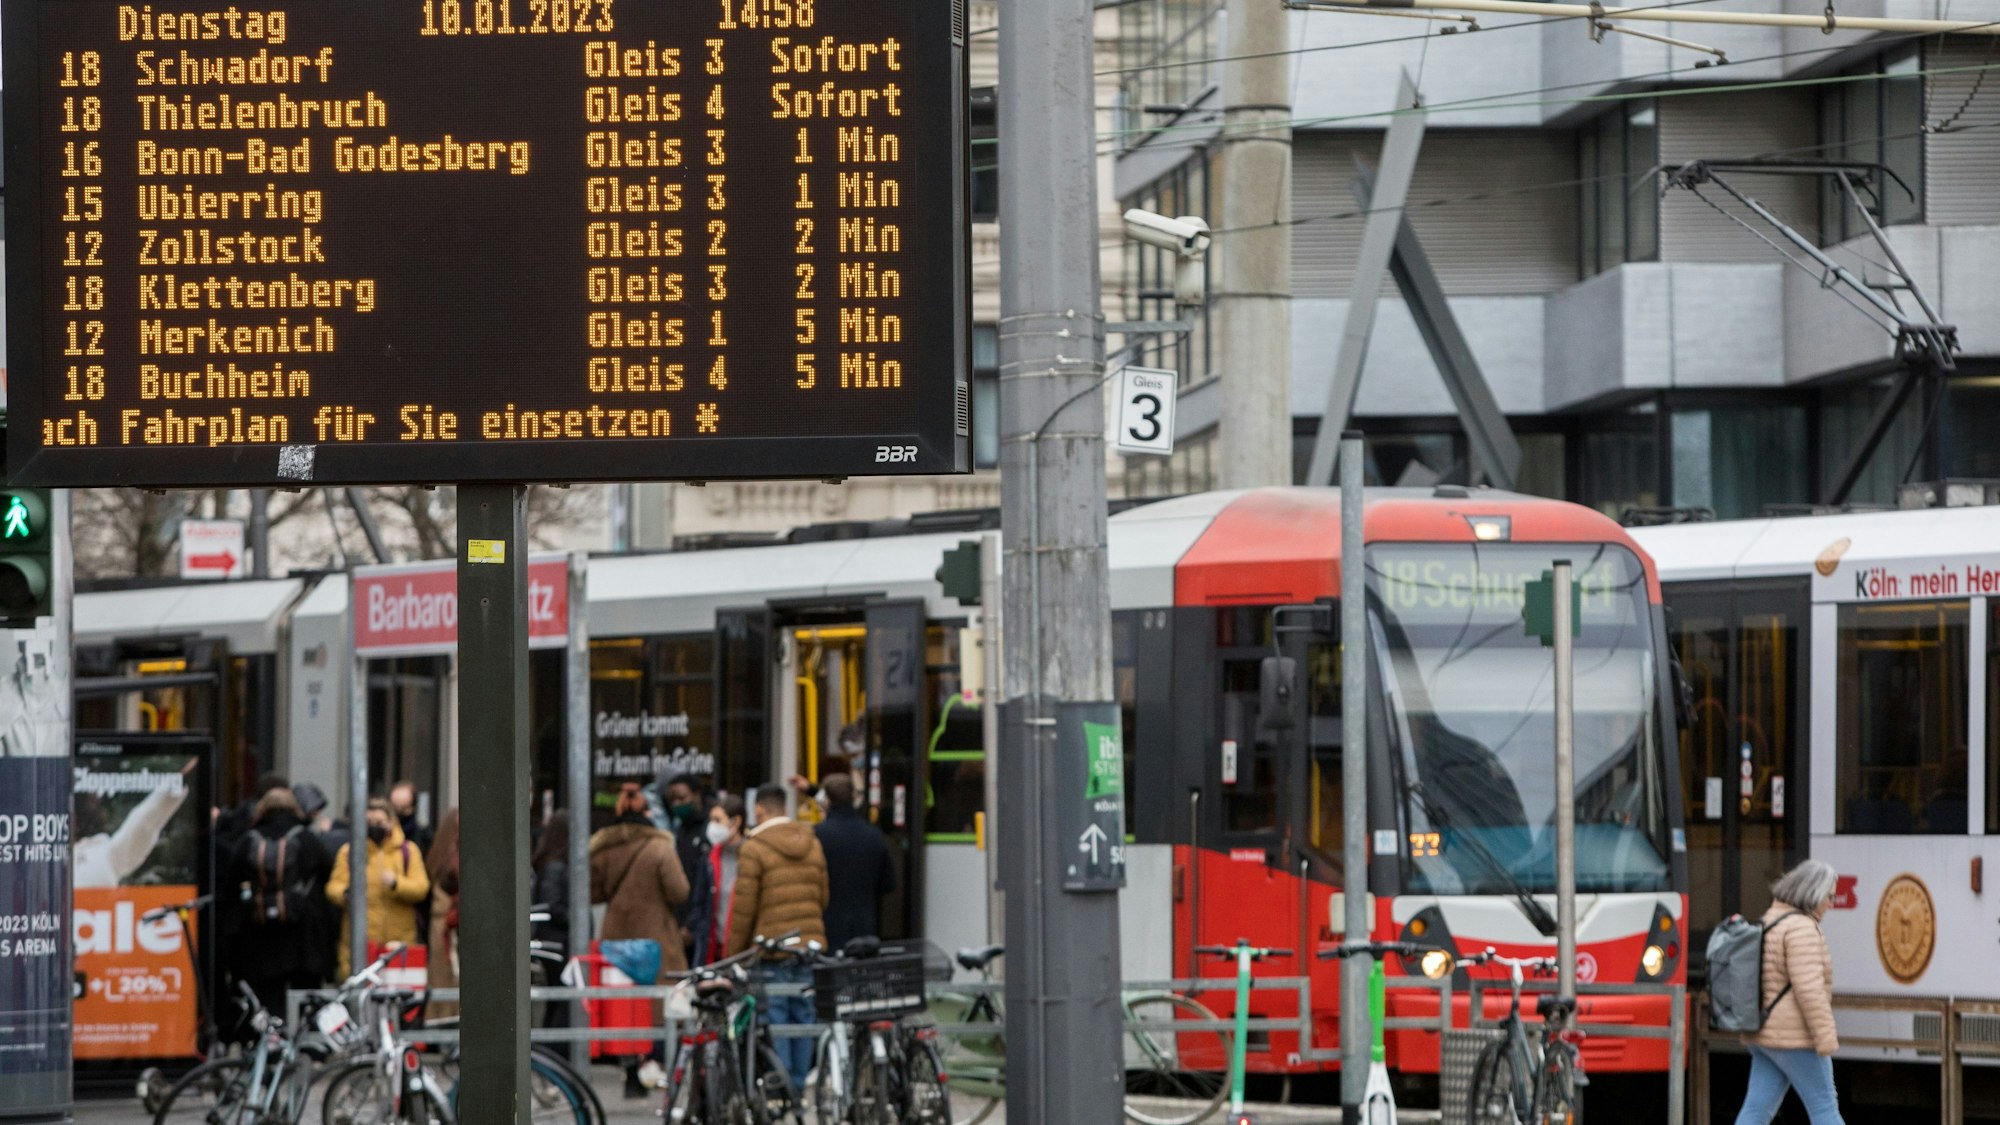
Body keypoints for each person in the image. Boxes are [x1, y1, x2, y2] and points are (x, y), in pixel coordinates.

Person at [590, 783, 690, 1097]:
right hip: (657, 938)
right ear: (647, 812)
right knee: (659, 1004)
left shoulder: (603, 848)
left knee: (626, 1006)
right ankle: (657, 1064)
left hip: (616, 937)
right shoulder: (661, 848)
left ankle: (631, 1070)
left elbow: (593, 893)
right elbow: (679, 891)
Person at [727, 784, 829, 1089]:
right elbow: (823, 897)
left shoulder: (754, 846)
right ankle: (798, 1085)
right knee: (804, 1017)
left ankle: (783, 1089)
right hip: (808, 946)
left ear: (759, 809)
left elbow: (745, 908)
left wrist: (734, 955)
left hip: (772, 949)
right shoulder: (811, 841)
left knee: (779, 1018)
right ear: (785, 808)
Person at [1735, 859, 1843, 1125]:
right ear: (1813, 894)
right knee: (1825, 1108)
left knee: (1756, 1111)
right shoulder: (1802, 928)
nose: (1831, 903)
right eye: (1829, 897)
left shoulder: (1771, 919)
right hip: (1794, 1038)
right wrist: (1825, 1038)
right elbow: (1809, 990)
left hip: (1763, 1034)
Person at [227, 787, 333, 1017]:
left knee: (268, 996)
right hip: (301, 932)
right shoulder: (306, 839)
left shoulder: (249, 840)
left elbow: (232, 879)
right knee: (304, 994)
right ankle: (303, 1044)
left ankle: (271, 1043)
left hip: (260, 931)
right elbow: (326, 871)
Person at [324, 798, 431, 976]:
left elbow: (421, 888)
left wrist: (397, 883)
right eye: (369, 822)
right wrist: (346, 893)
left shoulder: (408, 851)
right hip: (360, 945)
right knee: (360, 997)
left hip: (398, 944)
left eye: (380, 822)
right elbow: (333, 887)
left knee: (398, 999)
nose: (375, 827)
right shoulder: (349, 851)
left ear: (391, 821)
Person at [813, 773, 896, 950]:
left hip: (827, 925)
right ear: (853, 798)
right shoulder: (874, 835)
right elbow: (888, 884)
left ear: (826, 800)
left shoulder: (816, 836)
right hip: (864, 925)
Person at [646, 772, 714, 968]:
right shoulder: (679, 830)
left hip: (700, 926)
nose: (677, 804)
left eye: (682, 798)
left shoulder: (709, 830)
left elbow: (704, 886)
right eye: (672, 799)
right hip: (680, 923)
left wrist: (692, 925)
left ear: (697, 795)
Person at [425, 809, 461, 1021]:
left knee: (440, 976)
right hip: (451, 923)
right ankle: (449, 1021)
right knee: (451, 976)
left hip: (439, 922)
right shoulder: (455, 854)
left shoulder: (437, 854)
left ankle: (438, 1020)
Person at [702, 794, 747, 964]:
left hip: (741, 949)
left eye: (717, 819)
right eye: (711, 820)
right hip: (714, 948)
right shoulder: (710, 857)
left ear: (735, 822)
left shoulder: (751, 855)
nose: (712, 826)